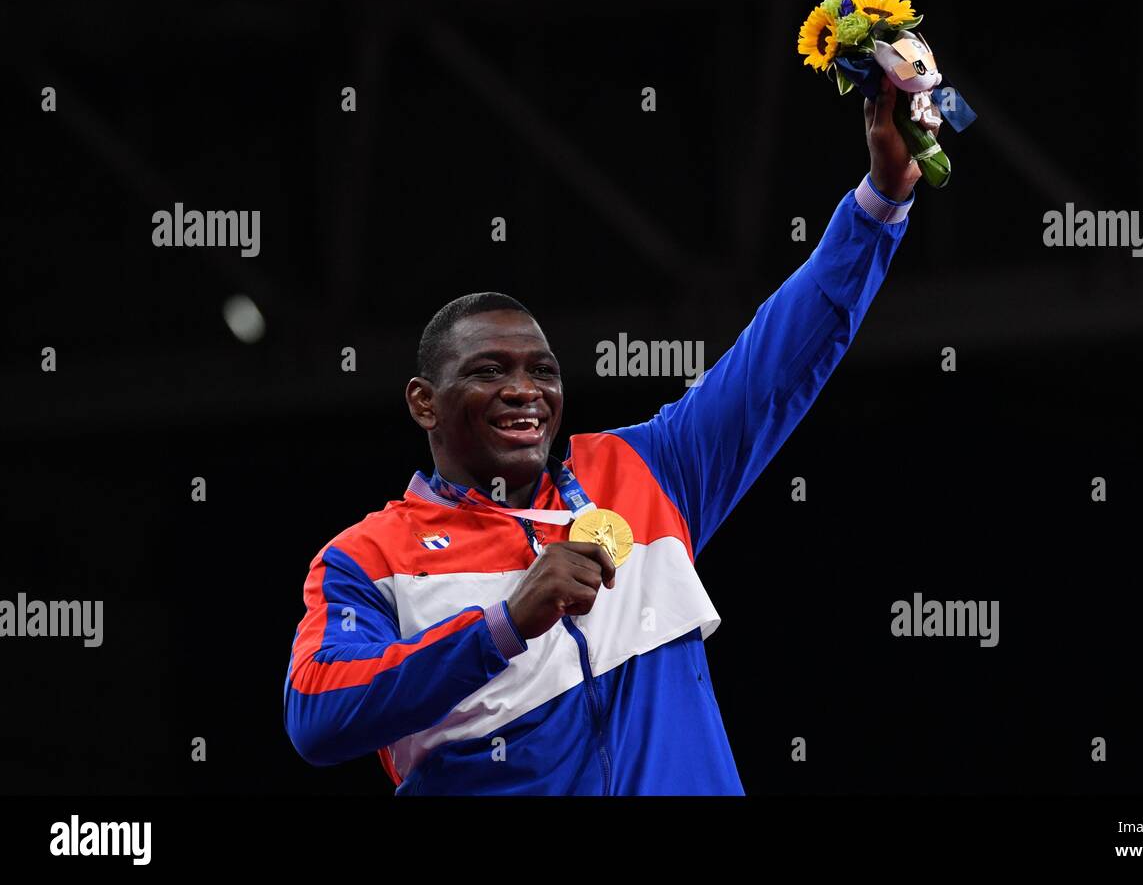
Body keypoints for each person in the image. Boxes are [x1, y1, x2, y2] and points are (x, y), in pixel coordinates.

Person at [284, 77, 932, 794]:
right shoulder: (370, 558)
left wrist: (881, 199)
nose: (524, 390)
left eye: (542, 371)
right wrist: (504, 626)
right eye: (489, 371)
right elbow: (318, 713)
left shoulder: (644, 470)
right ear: (424, 403)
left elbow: (776, 362)